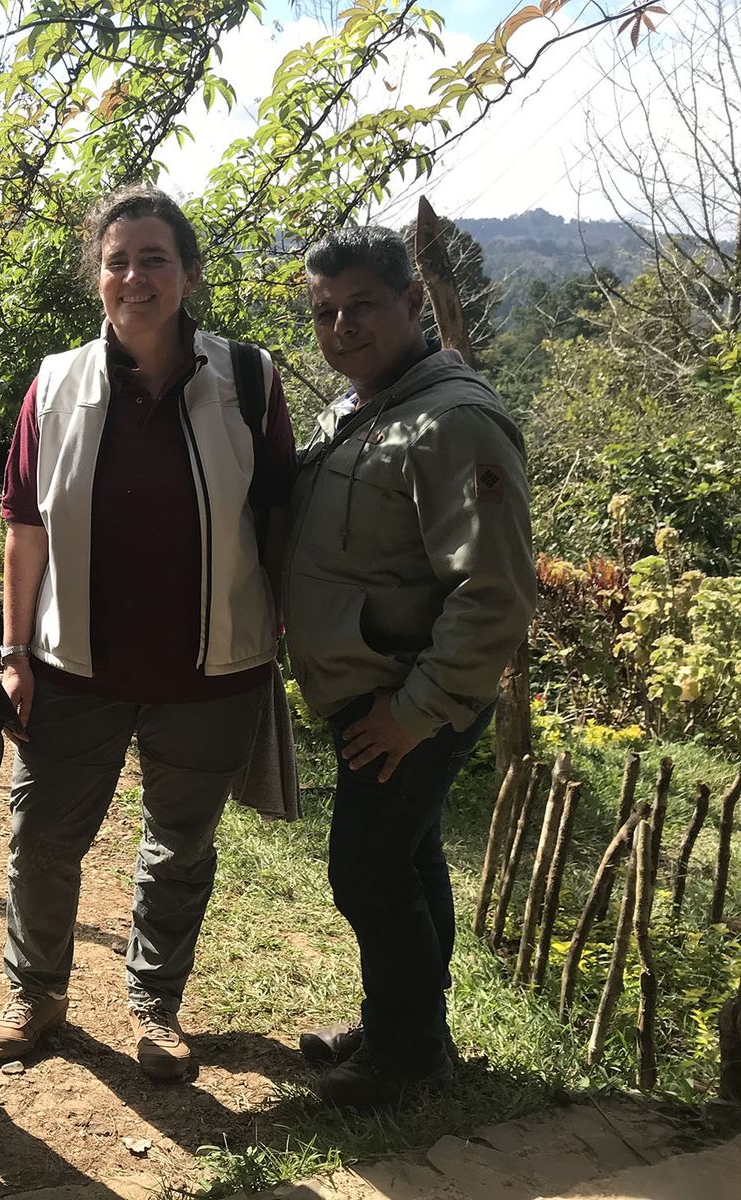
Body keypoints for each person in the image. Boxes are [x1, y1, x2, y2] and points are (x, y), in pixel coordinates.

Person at [0, 185, 296, 1082]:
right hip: (72, 666)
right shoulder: (55, 384)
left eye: (154, 259)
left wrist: (281, 636)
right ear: (99, 278)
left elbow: (281, 515)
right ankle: (35, 994)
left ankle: (155, 1004)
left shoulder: (247, 379)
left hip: (211, 670)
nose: (134, 277)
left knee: (179, 846)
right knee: (44, 840)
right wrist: (13, 653)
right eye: (117, 261)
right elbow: (24, 527)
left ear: (189, 274)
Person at [285, 226, 534, 1108]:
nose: (342, 327)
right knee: (410, 857)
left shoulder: (452, 421)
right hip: (373, 686)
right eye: (325, 312)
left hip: (408, 697)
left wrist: (414, 712)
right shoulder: (366, 403)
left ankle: (407, 1057)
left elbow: (495, 593)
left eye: (361, 306)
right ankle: (407, 1025)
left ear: (413, 302)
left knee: (367, 870)